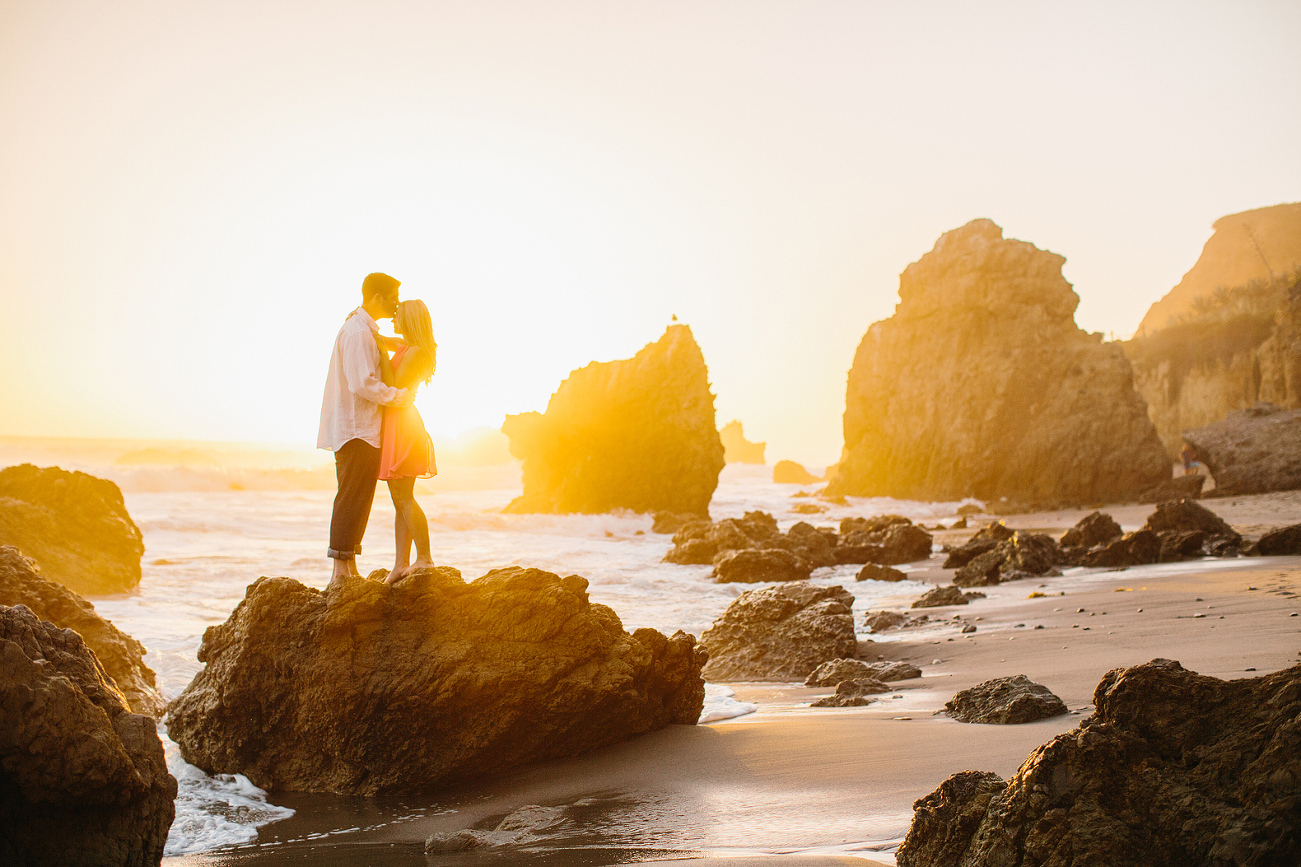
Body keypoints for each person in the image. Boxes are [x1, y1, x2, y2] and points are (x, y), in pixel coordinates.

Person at [318, 272, 411, 583]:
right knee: (351, 496)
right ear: (377, 298)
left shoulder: (363, 328)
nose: (396, 306)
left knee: (359, 497)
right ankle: (339, 572)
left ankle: (348, 567)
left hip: (360, 428)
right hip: (356, 427)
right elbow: (362, 383)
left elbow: (375, 345)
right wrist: (399, 397)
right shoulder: (358, 332)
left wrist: (394, 339)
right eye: (393, 300)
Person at [376, 299, 438, 583]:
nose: (393, 320)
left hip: (404, 426)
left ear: (410, 319)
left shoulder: (415, 353)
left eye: (397, 316)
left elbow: (393, 387)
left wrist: (378, 351)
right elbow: (386, 339)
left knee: (404, 497)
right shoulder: (407, 345)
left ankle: (424, 558)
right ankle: (401, 563)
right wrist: (369, 330)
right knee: (399, 498)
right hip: (396, 425)